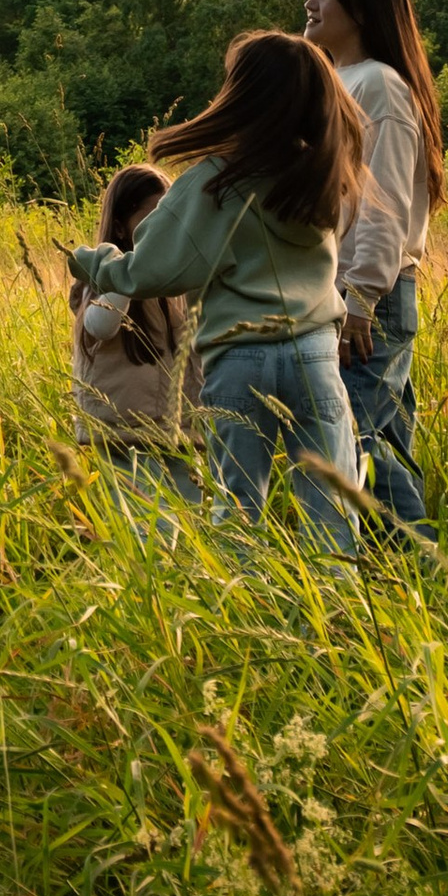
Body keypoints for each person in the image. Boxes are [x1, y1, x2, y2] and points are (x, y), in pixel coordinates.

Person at [68, 31, 369, 558]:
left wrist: (95, 261)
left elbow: (154, 270)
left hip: (238, 357)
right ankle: (337, 624)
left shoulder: (216, 178)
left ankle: (241, 618)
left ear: (242, 95)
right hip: (315, 354)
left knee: (238, 512)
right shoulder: (320, 170)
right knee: (332, 513)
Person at [305, 0, 446, 532]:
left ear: (361, 9)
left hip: (371, 297)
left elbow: (384, 201)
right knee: (380, 447)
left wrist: (360, 299)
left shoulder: (380, 86)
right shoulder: (336, 80)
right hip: (342, 290)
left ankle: (424, 572)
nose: (310, 4)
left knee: (349, 442)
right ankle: (413, 583)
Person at [69, 163, 196, 471]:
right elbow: (99, 325)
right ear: (121, 227)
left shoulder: (177, 282)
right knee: (139, 518)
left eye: (169, 220)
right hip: (122, 435)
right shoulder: (103, 274)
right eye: (149, 220)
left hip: (177, 433)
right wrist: (129, 274)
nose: (160, 232)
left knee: (184, 517)